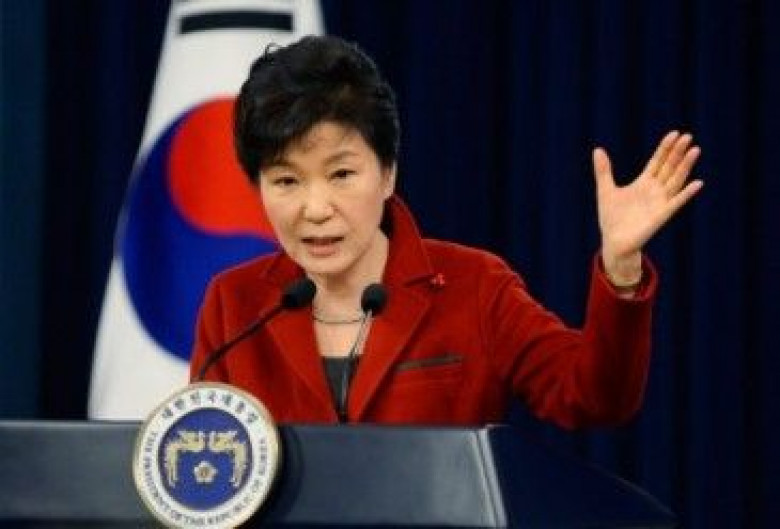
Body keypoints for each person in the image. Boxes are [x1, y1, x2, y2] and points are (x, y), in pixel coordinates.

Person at [190, 35, 703, 428]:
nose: (316, 208)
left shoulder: (474, 285)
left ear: (387, 174)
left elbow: (593, 399)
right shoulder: (234, 306)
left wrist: (621, 266)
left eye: (341, 174)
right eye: (287, 181)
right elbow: (206, 470)